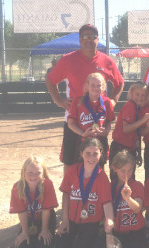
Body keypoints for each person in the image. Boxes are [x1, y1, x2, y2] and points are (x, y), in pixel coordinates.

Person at [46, 24, 124, 171]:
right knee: (70, 162)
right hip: (74, 122)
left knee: (98, 163)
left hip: (98, 122)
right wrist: (59, 101)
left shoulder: (107, 61)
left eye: (93, 36)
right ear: (80, 40)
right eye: (85, 36)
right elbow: (50, 80)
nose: (89, 40)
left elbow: (119, 83)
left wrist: (113, 100)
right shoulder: (67, 59)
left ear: (98, 39)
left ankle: (96, 192)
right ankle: (69, 193)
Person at [56, 137, 114, 248]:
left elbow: (107, 203)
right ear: (81, 153)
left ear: (101, 154)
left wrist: (110, 220)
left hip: (91, 224)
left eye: (95, 153)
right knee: (59, 242)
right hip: (71, 221)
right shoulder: (72, 171)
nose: (91, 157)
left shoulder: (102, 177)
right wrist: (64, 220)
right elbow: (66, 195)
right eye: (88, 153)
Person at [67, 73, 115, 167]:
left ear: (103, 87)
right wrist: (82, 133)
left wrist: (106, 131)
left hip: (100, 140)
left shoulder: (107, 102)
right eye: (92, 85)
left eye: (99, 85)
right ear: (87, 86)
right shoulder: (78, 101)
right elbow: (70, 123)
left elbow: (109, 122)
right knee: (82, 168)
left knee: (100, 169)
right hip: (84, 141)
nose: (96, 88)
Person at [9, 156, 58, 248]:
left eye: (38, 173)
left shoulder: (47, 184)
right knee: (22, 244)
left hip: (46, 218)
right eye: (30, 173)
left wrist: (44, 229)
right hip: (29, 220)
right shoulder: (17, 187)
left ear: (43, 173)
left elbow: (46, 210)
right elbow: (22, 212)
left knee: (44, 243)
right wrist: (24, 232)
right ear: (23, 173)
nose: (33, 176)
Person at [109, 81, 149, 174]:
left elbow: (137, 133)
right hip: (120, 147)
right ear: (131, 94)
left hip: (131, 148)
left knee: (129, 178)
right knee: (118, 177)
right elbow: (126, 129)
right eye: (137, 94)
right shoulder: (130, 105)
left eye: (143, 95)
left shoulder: (138, 109)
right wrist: (143, 120)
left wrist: (138, 153)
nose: (140, 97)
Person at [110, 150, 146, 248]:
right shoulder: (111, 187)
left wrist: (128, 199)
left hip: (136, 232)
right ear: (115, 169)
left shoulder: (137, 185)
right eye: (123, 170)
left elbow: (138, 208)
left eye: (130, 170)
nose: (126, 174)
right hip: (116, 232)